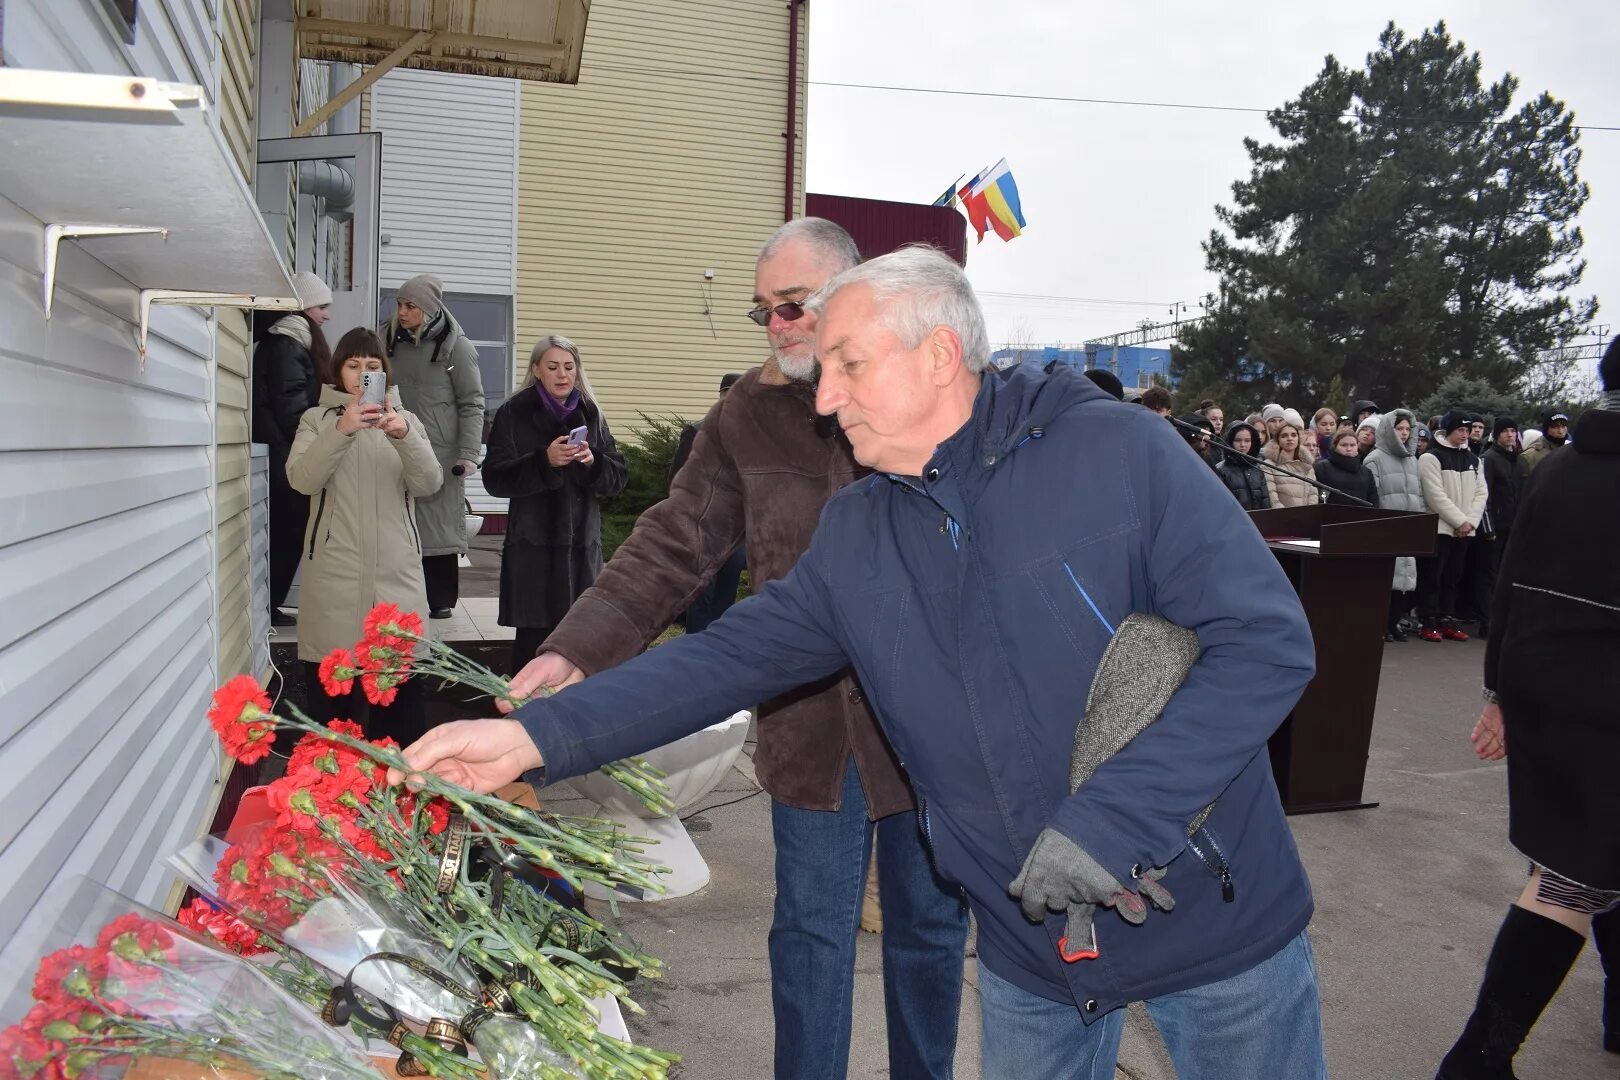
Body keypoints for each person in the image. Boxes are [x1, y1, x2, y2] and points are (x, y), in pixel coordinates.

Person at [397, 246, 1327, 1079]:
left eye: (848, 365)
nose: (825, 396)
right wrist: (529, 740)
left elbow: (1266, 643)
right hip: (1028, 942)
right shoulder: (860, 531)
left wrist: (1113, 823)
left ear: (938, 355)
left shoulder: (1116, 451)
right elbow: (725, 659)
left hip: (1210, 916)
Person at [495, 220, 969, 1080]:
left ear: (851, 294)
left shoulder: (915, 390)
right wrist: (576, 650)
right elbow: (672, 542)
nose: (777, 326)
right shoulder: (745, 415)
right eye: (764, 312)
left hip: (929, 727)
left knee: (931, 934)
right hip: (810, 726)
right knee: (811, 939)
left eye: (794, 306)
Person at [1437, 341, 1620, 1079]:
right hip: (1604, 702)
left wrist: (1498, 693)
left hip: (1546, 688)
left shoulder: (1559, 469)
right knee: (1577, 874)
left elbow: (1511, 582)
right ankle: (1479, 1059)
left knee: (1595, 852)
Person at [285, 328, 442, 746]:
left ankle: (404, 796)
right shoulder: (317, 420)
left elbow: (429, 483)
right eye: (353, 366)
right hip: (335, 578)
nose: (362, 374)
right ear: (338, 371)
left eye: (372, 367)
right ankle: (331, 796)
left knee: (401, 709)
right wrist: (343, 428)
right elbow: (302, 479)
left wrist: (404, 436)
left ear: (384, 375)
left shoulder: (406, 422)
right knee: (332, 713)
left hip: (396, 577)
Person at [482, 336, 628, 675]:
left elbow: (618, 477)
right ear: (536, 370)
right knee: (531, 661)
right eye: (552, 367)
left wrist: (594, 462)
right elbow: (494, 479)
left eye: (569, 367)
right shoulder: (513, 413)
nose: (562, 375)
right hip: (534, 558)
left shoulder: (591, 413)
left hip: (581, 558)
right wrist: (543, 462)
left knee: (580, 654)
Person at [384, 274, 485, 619]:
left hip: (441, 450)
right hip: (393, 441)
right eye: (399, 304)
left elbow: (472, 402)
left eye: (410, 305)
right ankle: (398, 598)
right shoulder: (385, 339)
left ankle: (441, 599)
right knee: (397, 522)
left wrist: (469, 454)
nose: (402, 311)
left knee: (437, 525)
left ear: (428, 309)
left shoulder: (457, 347)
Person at [252, 272, 333, 627]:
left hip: (280, 454)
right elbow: (292, 407)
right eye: (321, 306)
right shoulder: (288, 344)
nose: (325, 315)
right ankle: (269, 606)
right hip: (286, 458)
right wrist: (317, 445)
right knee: (288, 533)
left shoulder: (285, 341)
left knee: (285, 534)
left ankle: (270, 605)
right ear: (302, 307)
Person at [670, 373, 748, 633]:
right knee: (701, 597)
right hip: (702, 530)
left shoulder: (751, 439)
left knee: (724, 598)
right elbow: (675, 484)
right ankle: (695, 651)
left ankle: (717, 652)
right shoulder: (696, 432)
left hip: (736, 535)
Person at [1416, 412, 1488, 642]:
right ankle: (1428, 620)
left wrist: (1470, 522)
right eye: (1460, 430)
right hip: (1441, 528)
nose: (1465, 434)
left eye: (1467, 430)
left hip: (1465, 530)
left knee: (1453, 577)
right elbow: (1435, 495)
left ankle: (1446, 617)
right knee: (1433, 576)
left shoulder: (1474, 460)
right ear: (1448, 431)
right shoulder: (1431, 458)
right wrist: (1460, 521)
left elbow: (1481, 492)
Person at [1363, 410, 1425, 642]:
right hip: (1387, 525)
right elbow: (1374, 495)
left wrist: (1418, 519)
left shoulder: (1412, 460)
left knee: (1404, 580)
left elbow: (1418, 493)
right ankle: (1381, 624)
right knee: (1387, 577)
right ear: (1389, 430)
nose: (1404, 433)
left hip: (1407, 525)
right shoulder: (1375, 458)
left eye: (1408, 429)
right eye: (1400, 429)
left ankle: (1393, 622)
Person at [1476, 417, 1529, 640]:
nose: (1510, 435)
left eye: (1513, 431)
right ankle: (1487, 622)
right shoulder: (1489, 459)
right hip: (1494, 527)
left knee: (1508, 576)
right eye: (1505, 431)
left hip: (1514, 527)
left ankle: (1505, 620)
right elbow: (1484, 496)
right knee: (1489, 575)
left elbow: (1526, 495)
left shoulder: (1521, 462)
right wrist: (1488, 528)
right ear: (1497, 434)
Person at [1263, 412, 1318, 507]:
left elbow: (1313, 494)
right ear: (1278, 440)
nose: (1289, 438)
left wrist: (1310, 513)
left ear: (1298, 438)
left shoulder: (1307, 466)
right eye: (1284, 436)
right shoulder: (1268, 465)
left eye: (1293, 435)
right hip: (1282, 518)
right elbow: (1272, 497)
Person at [1314, 428, 1377, 509]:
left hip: (1361, 518)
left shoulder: (1366, 472)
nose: (1349, 449)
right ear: (1335, 446)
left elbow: (1373, 500)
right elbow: (1321, 496)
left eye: (1352, 445)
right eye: (1344, 445)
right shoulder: (1322, 468)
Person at [1215, 421, 1271, 511]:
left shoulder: (1257, 468)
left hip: (1259, 521)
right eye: (1238, 440)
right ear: (1230, 441)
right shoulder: (1221, 469)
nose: (1243, 445)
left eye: (1247, 440)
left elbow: (1265, 501)